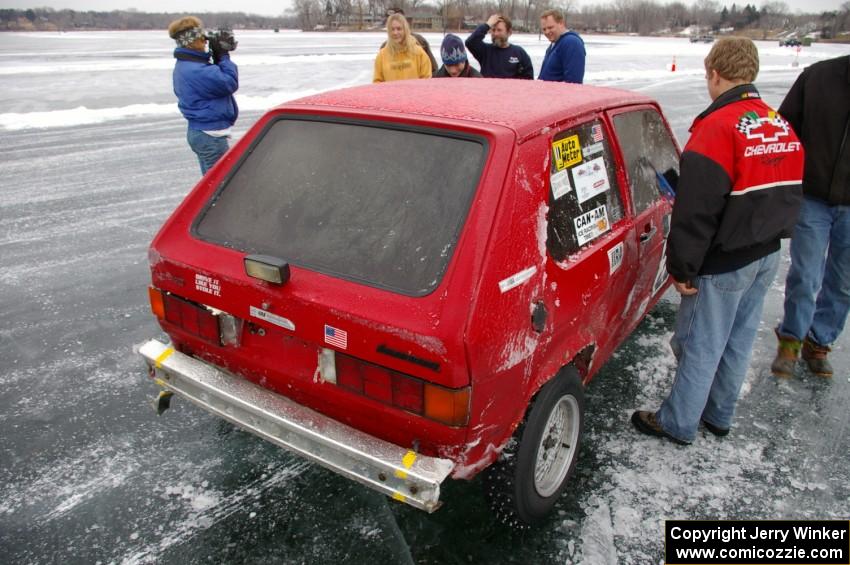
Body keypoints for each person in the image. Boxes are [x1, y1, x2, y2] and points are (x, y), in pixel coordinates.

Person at [631, 37, 804, 444]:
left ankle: (678, 423)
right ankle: (719, 414)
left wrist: (683, 268)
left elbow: (695, 210)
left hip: (724, 261)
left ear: (715, 74)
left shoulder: (716, 128)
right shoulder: (777, 124)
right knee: (737, 341)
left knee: (698, 344)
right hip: (766, 254)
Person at [771, 55, 850, 379]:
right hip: (813, 198)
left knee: (843, 282)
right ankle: (790, 341)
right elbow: (784, 129)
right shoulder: (817, 77)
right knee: (805, 274)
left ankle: (818, 342)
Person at [168, 16, 239, 176]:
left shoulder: (189, 64)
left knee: (212, 181)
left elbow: (216, 78)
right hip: (210, 135)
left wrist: (217, 55)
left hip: (203, 132)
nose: (206, 42)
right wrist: (223, 55)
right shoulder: (195, 70)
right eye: (202, 39)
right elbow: (229, 82)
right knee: (219, 184)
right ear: (192, 42)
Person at [465, 14, 533, 79]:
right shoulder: (485, 51)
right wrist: (487, 25)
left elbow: (528, 78)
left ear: (509, 33)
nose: (495, 34)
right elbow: (470, 42)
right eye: (493, 30)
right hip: (488, 90)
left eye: (499, 30)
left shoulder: (519, 53)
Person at [373, 13, 432, 82]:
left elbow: (426, 79)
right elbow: (377, 82)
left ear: (405, 30)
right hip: (391, 93)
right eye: (392, 29)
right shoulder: (382, 55)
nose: (395, 33)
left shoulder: (419, 53)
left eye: (399, 29)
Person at [380, 8, 438, 74]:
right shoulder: (384, 49)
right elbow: (379, 79)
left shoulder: (420, 42)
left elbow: (433, 70)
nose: (395, 32)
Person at [538, 9, 585, 84]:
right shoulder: (554, 45)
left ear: (561, 23)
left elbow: (573, 82)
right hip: (547, 94)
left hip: (559, 94)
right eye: (544, 29)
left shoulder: (571, 43)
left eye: (550, 27)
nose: (547, 32)